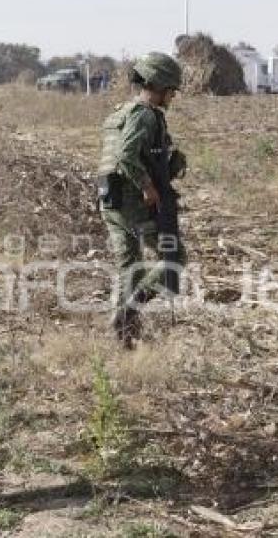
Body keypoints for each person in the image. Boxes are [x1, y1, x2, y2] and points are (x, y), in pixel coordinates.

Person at [97, 52, 187, 349]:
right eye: (171, 90)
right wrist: (148, 186)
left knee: (130, 267)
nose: (172, 96)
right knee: (173, 259)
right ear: (159, 86)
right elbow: (126, 155)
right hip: (133, 201)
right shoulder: (144, 114)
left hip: (110, 200)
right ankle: (128, 313)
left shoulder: (121, 112)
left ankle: (125, 340)